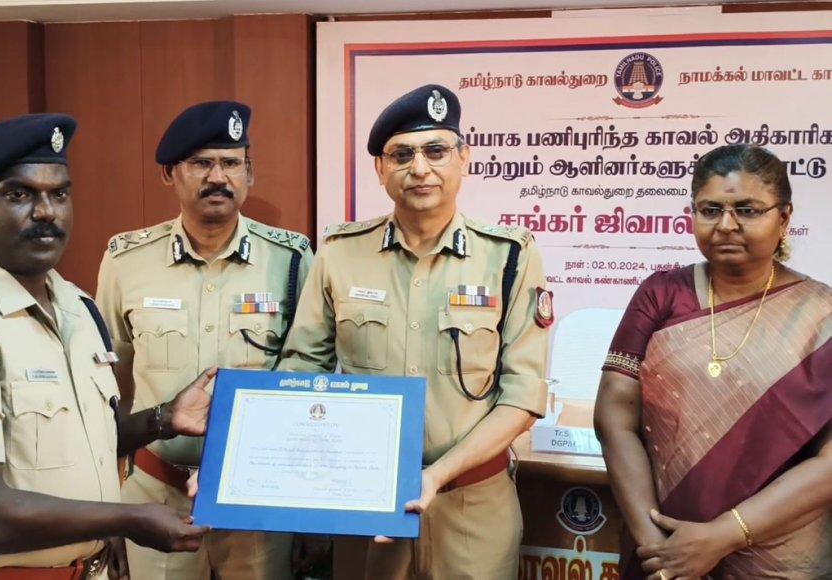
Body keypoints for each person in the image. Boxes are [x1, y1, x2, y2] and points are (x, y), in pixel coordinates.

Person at [277, 84, 549, 580]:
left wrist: (436, 475)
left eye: (436, 151)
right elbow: (300, 369)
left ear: (464, 159)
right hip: (366, 502)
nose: (420, 168)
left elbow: (522, 396)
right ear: (380, 169)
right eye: (402, 154)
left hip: (474, 507)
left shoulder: (509, 256)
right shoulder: (339, 252)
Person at [0, 113, 214, 577]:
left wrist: (163, 419)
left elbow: (89, 441)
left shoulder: (77, 306)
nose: (46, 212)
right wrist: (127, 519)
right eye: (19, 194)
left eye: (59, 194)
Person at [96, 100, 313, 580]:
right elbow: (109, 386)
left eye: (231, 163)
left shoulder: (293, 259)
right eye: (201, 163)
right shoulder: (126, 260)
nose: (218, 177)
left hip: (257, 497)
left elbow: (308, 375)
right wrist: (109, 506)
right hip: (157, 494)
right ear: (169, 174)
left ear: (249, 173)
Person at [594, 144, 832, 579]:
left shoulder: (822, 315)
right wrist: (659, 550)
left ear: (784, 218)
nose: (726, 225)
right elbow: (614, 418)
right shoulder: (662, 295)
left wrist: (724, 535)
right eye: (710, 210)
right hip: (663, 551)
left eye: (747, 210)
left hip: (778, 558)